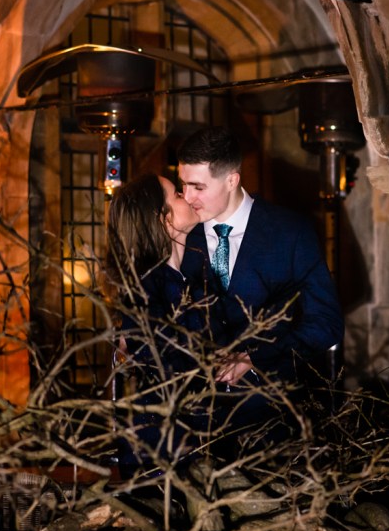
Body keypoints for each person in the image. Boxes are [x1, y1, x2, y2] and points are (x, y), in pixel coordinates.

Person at [177, 126, 344, 443]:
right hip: (195, 427)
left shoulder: (290, 231)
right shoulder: (180, 234)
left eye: (198, 187)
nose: (187, 197)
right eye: (183, 185)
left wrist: (257, 357)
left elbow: (326, 323)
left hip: (273, 424)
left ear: (231, 180)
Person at [106, 173, 210, 474]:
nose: (188, 196)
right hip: (163, 461)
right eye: (177, 194)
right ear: (162, 219)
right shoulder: (149, 294)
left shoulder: (179, 282)